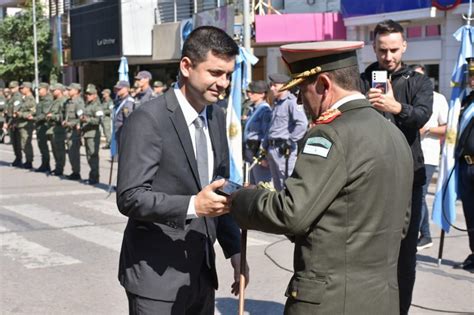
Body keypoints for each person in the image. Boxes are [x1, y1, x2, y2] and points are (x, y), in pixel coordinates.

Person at [230, 41, 413, 315]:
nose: (300, 101)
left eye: (302, 90)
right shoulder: (394, 134)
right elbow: (401, 223)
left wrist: (242, 199)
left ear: (324, 84)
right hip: (381, 300)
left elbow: (292, 213)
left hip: (329, 302)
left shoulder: (329, 134)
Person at [116, 26, 247, 314]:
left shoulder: (216, 116)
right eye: (215, 73)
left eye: (228, 75)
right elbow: (130, 197)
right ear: (186, 66)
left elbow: (219, 189)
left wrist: (235, 250)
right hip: (156, 279)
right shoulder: (148, 119)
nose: (223, 83)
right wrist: (192, 205)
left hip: (201, 275)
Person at [359, 20, 433, 315]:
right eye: (381, 50)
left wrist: (394, 106)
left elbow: (422, 117)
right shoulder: (362, 79)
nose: (387, 57)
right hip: (369, 177)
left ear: (404, 46)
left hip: (408, 179)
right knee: (367, 250)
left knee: (404, 255)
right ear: (373, 47)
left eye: (393, 50)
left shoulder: (418, 81)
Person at [410, 64, 448, 250]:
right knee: (415, 196)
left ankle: (421, 235)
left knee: (421, 195)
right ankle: (424, 235)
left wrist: (428, 129)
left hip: (429, 155)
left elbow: (448, 128)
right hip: (410, 154)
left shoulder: (438, 99)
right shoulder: (407, 95)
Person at [264, 73, 308, 191]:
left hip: (284, 150)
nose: (272, 88)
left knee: (286, 184)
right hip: (273, 148)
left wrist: (290, 141)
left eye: (275, 85)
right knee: (278, 186)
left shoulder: (291, 102)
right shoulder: (277, 103)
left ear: (285, 86)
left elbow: (302, 124)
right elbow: (272, 126)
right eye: (271, 85)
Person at [453, 57, 474, 272]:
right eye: (471, 76)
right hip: (466, 166)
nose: (473, 80)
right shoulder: (466, 101)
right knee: (470, 213)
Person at [243, 80, 272, 184]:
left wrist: (263, 156)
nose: (249, 94)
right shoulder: (253, 109)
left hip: (258, 150)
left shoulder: (265, 110)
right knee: (253, 183)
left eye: (253, 92)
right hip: (250, 150)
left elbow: (266, 134)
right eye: (249, 92)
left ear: (262, 94)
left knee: (261, 183)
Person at [81, 84, 103, 185]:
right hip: (86, 133)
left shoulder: (97, 106)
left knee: (93, 156)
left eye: (90, 94)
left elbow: (98, 120)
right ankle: (92, 175)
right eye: (87, 94)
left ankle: (95, 177)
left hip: (93, 134)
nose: (88, 96)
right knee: (89, 156)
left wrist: (87, 119)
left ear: (95, 95)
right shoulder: (87, 105)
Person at [63, 83, 84, 180]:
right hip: (68, 130)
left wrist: (70, 124)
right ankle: (74, 171)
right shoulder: (68, 102)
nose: (68, 91)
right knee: (71, 152)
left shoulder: (78, 102)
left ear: (76, 91)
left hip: (74, 131)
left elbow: (81, 118)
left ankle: (76, 172)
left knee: (74, 152)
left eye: (70, 90)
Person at [47, 83, 67, 176]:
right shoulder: (55, 100)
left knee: (59, 150)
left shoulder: (63, 101)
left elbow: (64, 116)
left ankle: (60, 168)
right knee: (55, 150)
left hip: (59, 128)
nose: (52, 92)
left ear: (59, 90)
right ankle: (57, 167)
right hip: (52, 128)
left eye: (54, 90)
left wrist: (53, 116)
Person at [35, 82, 54, 172]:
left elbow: (45, 114)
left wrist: (35, 118)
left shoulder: (48, 100)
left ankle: (46, 164)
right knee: (41, 145)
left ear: (46, 90)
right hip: (40, 125)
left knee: (43, 145)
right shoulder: (43, 99)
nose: (38, 91)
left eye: (40, 89)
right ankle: (45, 164)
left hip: (44, 125)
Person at [17, 82, 36, 169]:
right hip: (22, 124)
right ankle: (27, 160)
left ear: (28, 88)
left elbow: (32, 112)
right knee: (23, 143)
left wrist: (20, 114)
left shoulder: (31, 99)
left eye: (23, 88)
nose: (21, 90)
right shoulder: (24, 99)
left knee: (26, 143)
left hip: (26, 124)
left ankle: (29, 161)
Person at [112, 80, 134, 151]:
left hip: (123, 133)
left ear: (126, 89)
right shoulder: (119, 100)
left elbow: (128, 119)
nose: (117, 90)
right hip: (118, 132)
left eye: (120, 88)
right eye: (117, 88)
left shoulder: (128, 102)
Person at [7, 81, 23, 166]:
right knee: (14, 141)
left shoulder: (17, 97)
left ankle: (19, 159)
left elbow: (15, 110)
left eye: (13, 88)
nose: (11, 89)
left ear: (17, 87)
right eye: (10, 88)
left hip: (15, 121)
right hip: (11, 121)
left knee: (17, 142)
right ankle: (17, 158)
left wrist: (10, 122)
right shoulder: (12, 96)